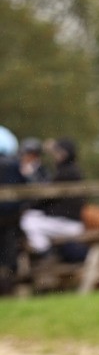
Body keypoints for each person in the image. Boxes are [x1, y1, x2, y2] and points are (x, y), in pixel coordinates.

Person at [20, 136, 85, 257]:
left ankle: (44, 252)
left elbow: (47, 197)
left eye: (57, 152)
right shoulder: (70, 170)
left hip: (66, 223)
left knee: (28, 221)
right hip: (67, 220)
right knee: (32, 217)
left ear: (64, 154)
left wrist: (27, 206)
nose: (54, 155)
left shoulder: (66, 172)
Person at [0, 126, 25, 295]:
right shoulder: (14, 164)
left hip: (6, 216)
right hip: (10, 217)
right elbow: (24, 186)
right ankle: (9, 281)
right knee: (9, 249)